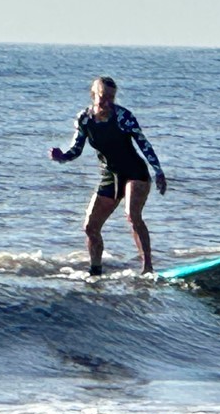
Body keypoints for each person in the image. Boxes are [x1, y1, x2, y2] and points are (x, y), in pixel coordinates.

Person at [49, 76, 167, 276]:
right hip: (110, 176)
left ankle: (147, 268)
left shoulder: (123, 117)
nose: (108, 102)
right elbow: (76, 149)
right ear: (94, 95)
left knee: (132, 215)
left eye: (112, 97)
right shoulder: (84, 119)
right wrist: (62, 157)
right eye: (104, 97)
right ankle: (95, 271)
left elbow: (143, 143)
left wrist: (158, 171)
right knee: (90, 226)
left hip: (135, 173)